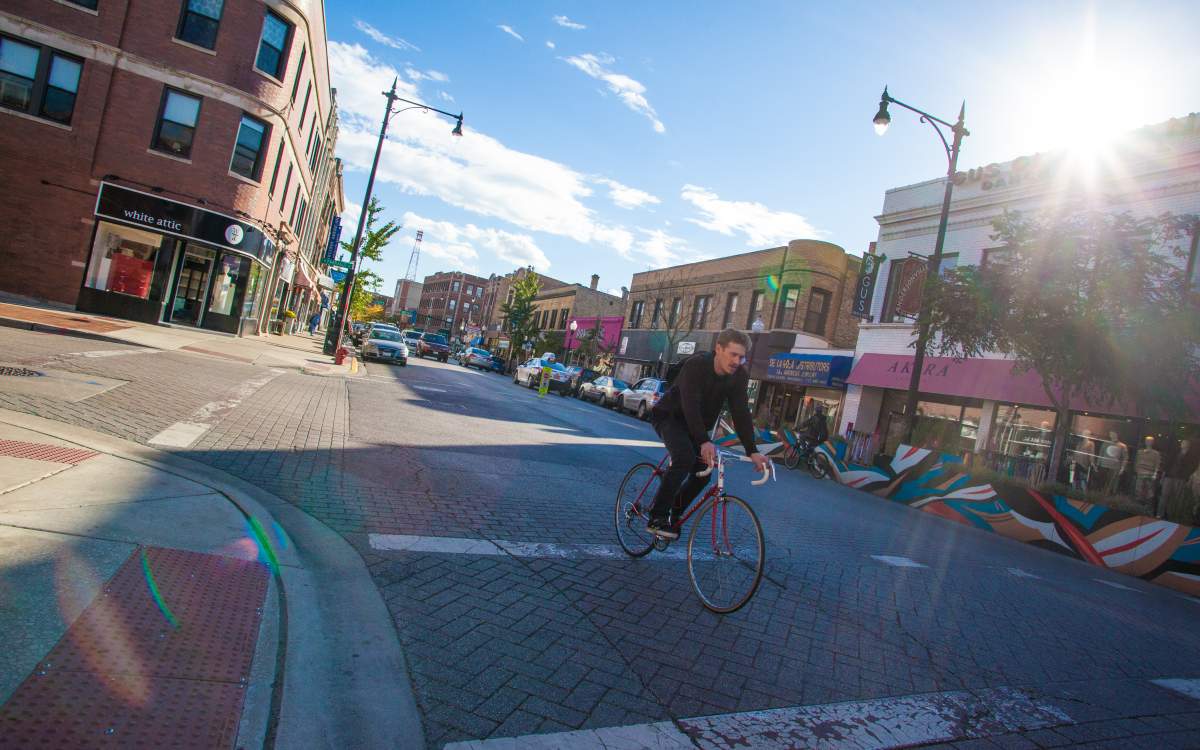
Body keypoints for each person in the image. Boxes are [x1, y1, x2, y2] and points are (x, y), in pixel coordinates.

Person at [645, 328, 769, 539]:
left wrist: (753, 450)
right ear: (718, 349)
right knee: (683, 457)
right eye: (733, 354)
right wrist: (704, 441)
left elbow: (740, 412)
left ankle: (674, 512)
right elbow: (690, 404)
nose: (737, 361)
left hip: (697, 427)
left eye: (741, 356)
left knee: (703, 473)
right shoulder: (697, 365)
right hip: (670, 417)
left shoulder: (738, 376)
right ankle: (656, 517)